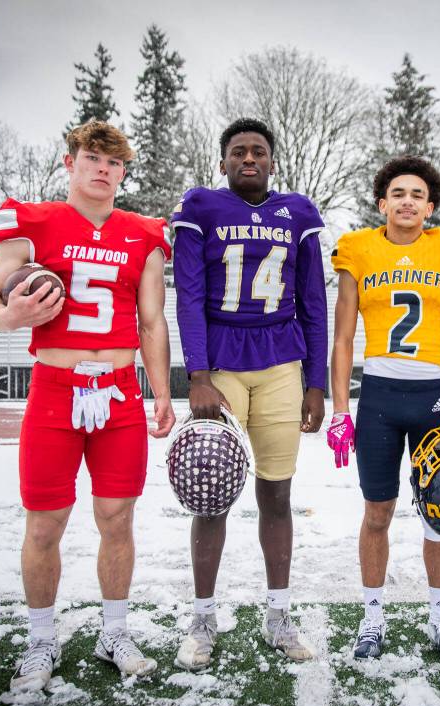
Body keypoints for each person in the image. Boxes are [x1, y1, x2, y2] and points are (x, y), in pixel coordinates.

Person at [0, 120, 175, 690]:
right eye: (93, 158)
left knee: (117, 519)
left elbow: (152, 320)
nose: (103, 170)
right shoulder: (32, 223)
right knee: (45, 524)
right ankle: (41, 640)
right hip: (55, 390)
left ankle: (114, 631)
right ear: (70, 162)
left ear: (123, 172)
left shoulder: (143, 233)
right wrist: (8, 316)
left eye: (114, 163)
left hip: (118, 391)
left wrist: (162, 392)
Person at [170, 118, 328, 670]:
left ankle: (278, 615)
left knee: (277, 494)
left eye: (259, 151)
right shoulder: (201, 208)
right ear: (223, 163)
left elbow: (313, 300)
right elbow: (188, 296)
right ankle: (203, 617)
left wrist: (316, 382)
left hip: (282, 364)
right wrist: (197, 376)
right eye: (238, 152)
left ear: (272, 161)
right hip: (222, 367)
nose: (249, 159)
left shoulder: (299, 213)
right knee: (210, 492)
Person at [328, 156, 440, 664]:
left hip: (434, 396)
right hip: (379, 397)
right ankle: (372, 619)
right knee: (377, 512)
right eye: (398, 193)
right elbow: (343, 336)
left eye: (417, 194)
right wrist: (339, 409)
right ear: (382, 203)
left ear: (429, 206)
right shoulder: (358, 250)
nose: (407, 200)